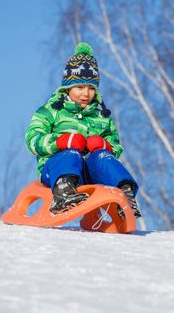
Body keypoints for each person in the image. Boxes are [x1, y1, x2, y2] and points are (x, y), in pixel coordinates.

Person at [25, 42, 141, 218]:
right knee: (71, 153)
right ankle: (64, 192)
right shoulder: (51, 111)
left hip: (89, 173)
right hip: (55, 170)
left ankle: (125, 194)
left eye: (91, 89)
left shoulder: (101, 116)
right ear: (67, 88)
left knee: (103, 158)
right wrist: (59, 142)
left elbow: (116, 145)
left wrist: (106, 146)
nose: (85, 94)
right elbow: (33, 139)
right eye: (80, 87)